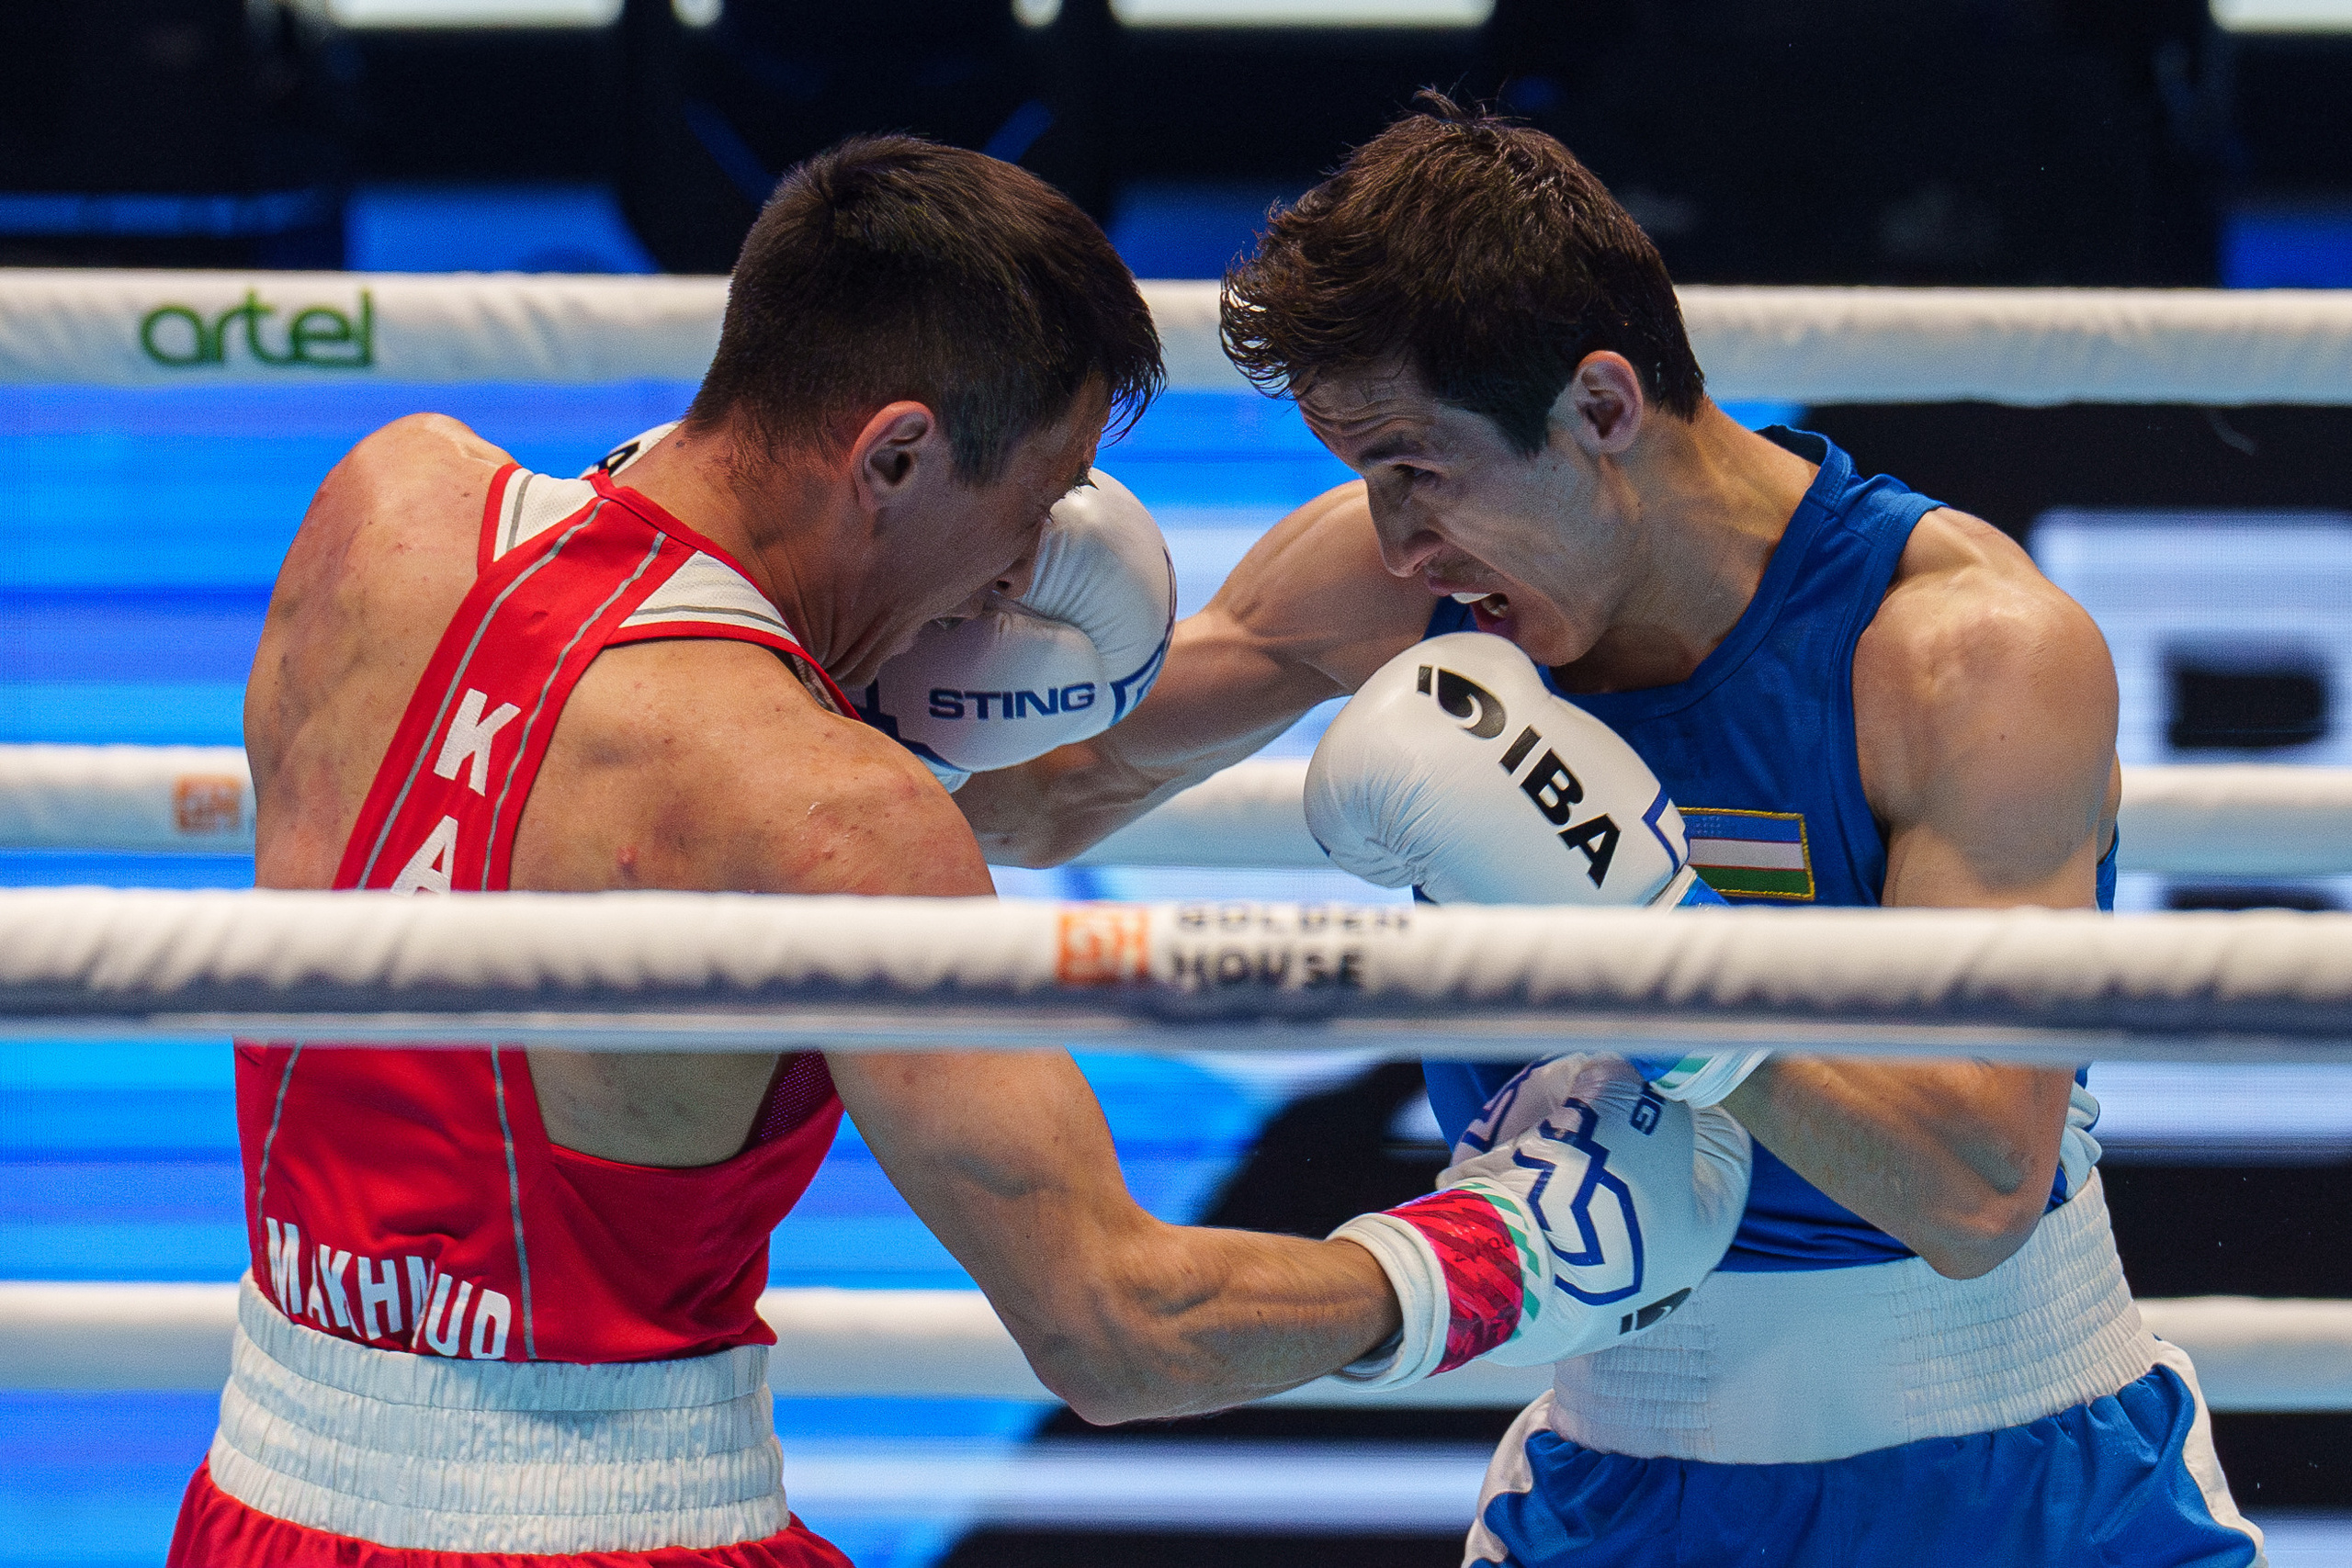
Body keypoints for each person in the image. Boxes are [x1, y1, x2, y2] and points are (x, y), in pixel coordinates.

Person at [169, 133, 1745, 1568]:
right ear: (895, 458)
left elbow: (573, 741)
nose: (1026, 573)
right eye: (1040, 503)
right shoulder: (833, 816)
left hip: (254, 1504)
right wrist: (1498, 1255)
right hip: (611, 1535)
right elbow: (1116, 1325)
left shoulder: (385, 509)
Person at [956, 96, 2266, 1566]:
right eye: (1364, 477)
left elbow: (1978, 1189)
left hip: (2022, 1486)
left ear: (1598, 408)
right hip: (1624, 1478)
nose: (1397, 541)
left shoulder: (1962, 652)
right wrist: (899, 634)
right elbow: (1044, 791)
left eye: (1416, 467)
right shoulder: (1397, 588)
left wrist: (1658, 956)